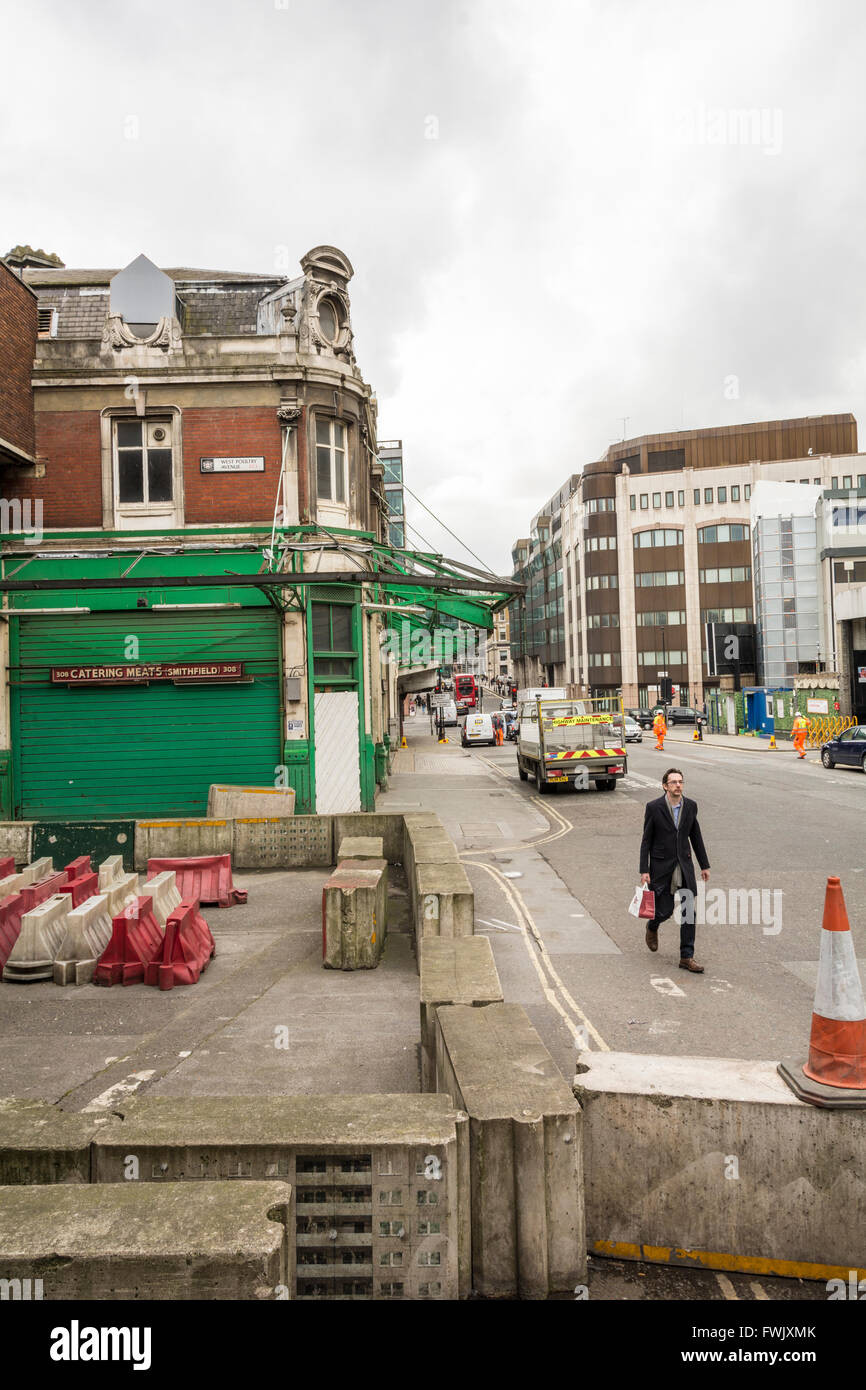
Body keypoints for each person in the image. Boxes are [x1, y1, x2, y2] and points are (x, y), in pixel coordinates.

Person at [639, 767, 711, 973]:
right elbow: (646, 840)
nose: (678, 785)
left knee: (689, 912)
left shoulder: (690, 806)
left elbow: (695, 836)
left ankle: (686, 956)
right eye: (673, 782)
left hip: (684, 866)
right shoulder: (653, 807)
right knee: (664, 910)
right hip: (662, 867)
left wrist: (704, 865)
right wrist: (644, 869)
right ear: (665, 786)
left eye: (680, 781)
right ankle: (653, 926)